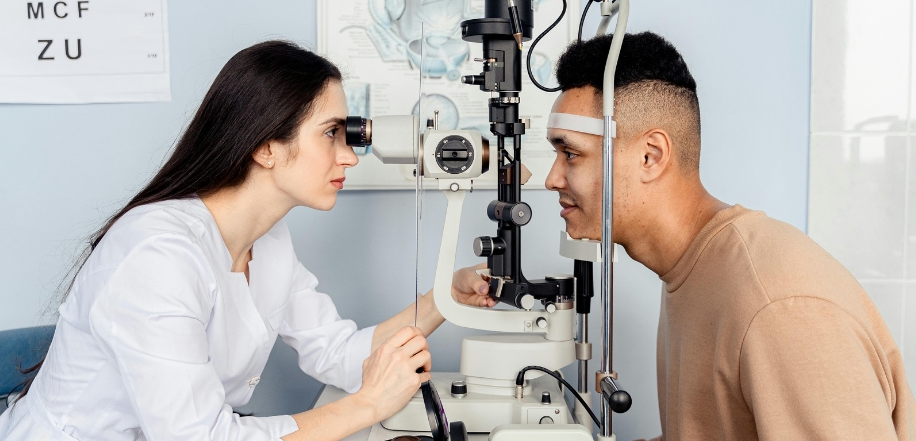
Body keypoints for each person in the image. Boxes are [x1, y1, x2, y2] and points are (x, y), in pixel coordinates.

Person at [0, 41, 493, 441]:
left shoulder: (270, 241)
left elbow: (340, 353)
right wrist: (365, 406)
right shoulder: (156, 255)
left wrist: (444, 299)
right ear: (265, 146)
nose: (349, 157)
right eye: (332, 134)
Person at [543, 31, 916, 440]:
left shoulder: (778, 306)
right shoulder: (695, 271)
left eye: (571, 153)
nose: (552, 178)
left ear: (650, 156)